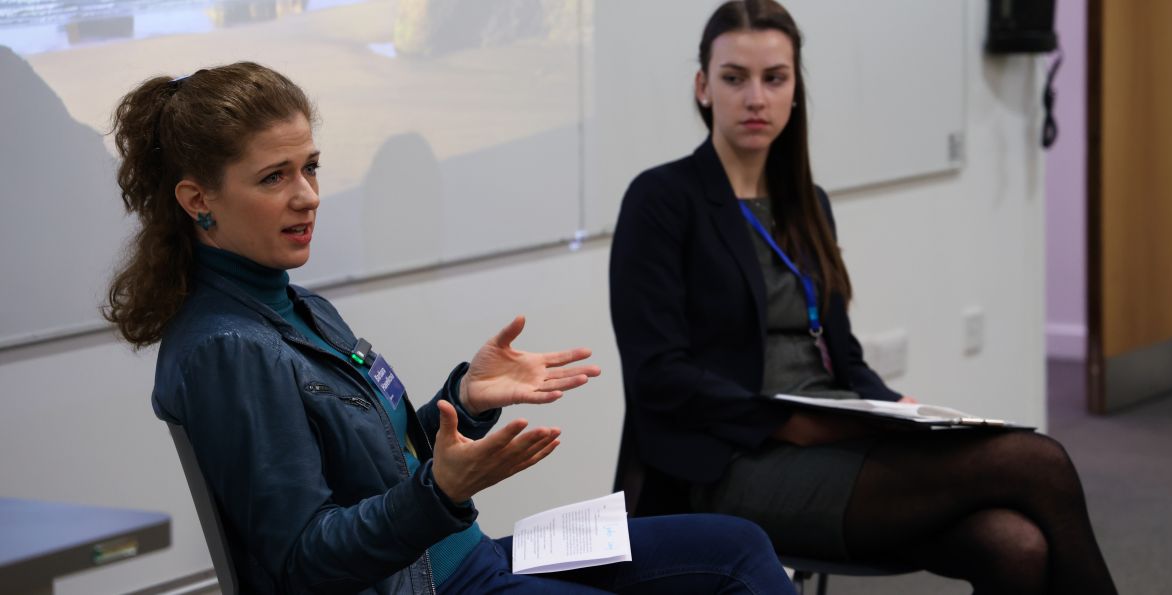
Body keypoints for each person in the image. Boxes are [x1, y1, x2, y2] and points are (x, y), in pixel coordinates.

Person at [105, 62, 796, 594]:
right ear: (199, 200)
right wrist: (439, 491)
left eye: (311, 167)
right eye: (274, 176)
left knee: (739, 548)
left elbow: (382, 459)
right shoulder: (230, 348)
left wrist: (466, 399)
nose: (308, 195)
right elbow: (302, 563)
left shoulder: (295, 305)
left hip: (467, 555)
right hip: (438, 581)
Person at [608, 2, 1118, 594]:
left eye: (774, 78)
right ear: (703, 87)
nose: (755, 97)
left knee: (1014, 544)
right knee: (1036, 461)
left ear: (795, 88)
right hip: (728, 463)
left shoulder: (808, 203)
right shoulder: (662, 200)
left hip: (837, 435)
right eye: (734, 78)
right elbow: (657, 376)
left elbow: (842, 355)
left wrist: (899, 410)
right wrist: (788, 421)